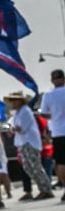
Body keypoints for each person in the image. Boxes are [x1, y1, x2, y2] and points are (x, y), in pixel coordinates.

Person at [6, 91, 54, 200]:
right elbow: (11, 125)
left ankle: (46, 189)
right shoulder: (17, 113)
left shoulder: (26, 111)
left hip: (30, 143)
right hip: (22, 143)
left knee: (36, 167)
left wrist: (12, 130)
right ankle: (42, 188)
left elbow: (21, 128)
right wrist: (9, 128)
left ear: (20, 101)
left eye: (15, 100)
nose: (13, 102)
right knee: (28, 168)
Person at [40, 69, 65, 197]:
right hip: (59, 131)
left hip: (58, 132)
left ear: (52, 80)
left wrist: (53, 115)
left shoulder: (48, 95)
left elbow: (44, 114)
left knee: (61, 162)